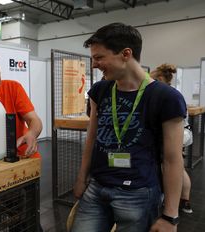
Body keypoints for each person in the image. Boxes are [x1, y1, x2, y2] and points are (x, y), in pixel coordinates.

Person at [72, 22, 186, 232]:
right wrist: (81, 178)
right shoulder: (100, 90)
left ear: (125, 54)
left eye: (99, 57)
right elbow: (92, 136)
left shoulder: (167, 97)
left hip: (139, 193)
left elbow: (172, 159)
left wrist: (170, 216)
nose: (94, 65)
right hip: (97, 187)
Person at [150, 63, 193, 214]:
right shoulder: (172, 92)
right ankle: (185, 202)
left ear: (160, 78)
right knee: (179, 167)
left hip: (178, 135)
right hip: (183, 134)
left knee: (171, 166)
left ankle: (168, 201)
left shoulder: (166, 94)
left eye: (152, 80)